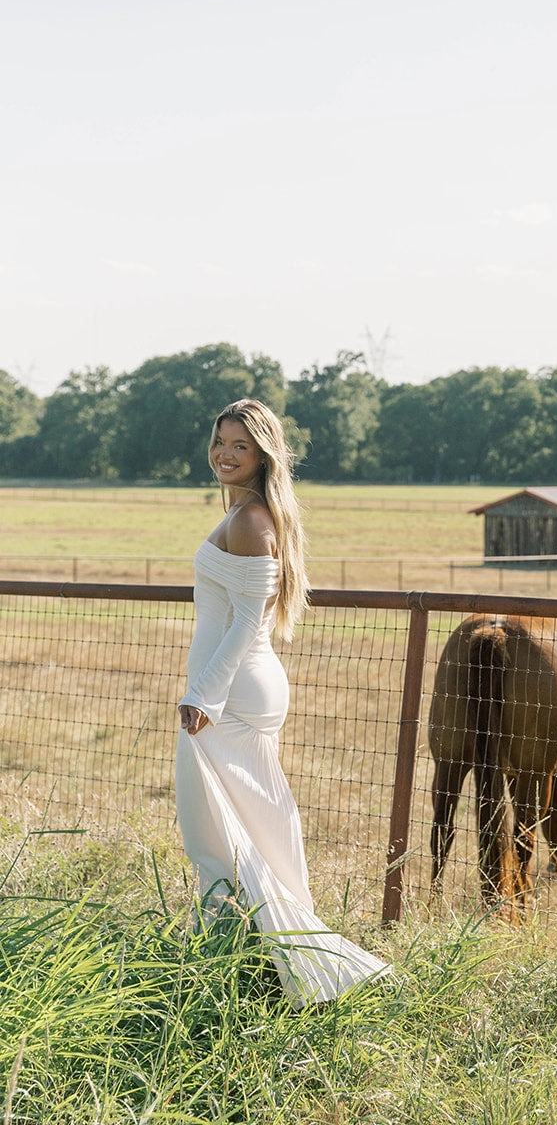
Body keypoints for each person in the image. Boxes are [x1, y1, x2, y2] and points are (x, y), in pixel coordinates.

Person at [176, 397, 389, 1008]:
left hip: (232, 694)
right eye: (219, 441)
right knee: (251, 829)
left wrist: (202, 694)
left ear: (262, 454)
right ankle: (271, 958)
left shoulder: (251, 521)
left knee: (213, 834)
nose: (224, 453)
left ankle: (245, 963)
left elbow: (246, 623)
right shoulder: (253, 513)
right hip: (242, 688)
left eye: (239, 445)